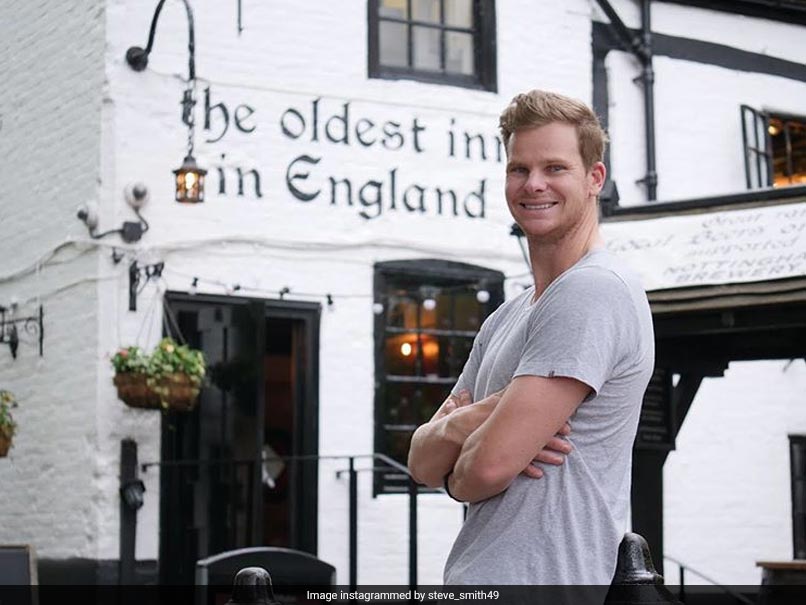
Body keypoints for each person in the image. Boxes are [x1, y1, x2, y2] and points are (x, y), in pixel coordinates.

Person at [407, 90, 655, 589]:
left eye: (555, 168)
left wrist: (465, 448)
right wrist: (483, 419)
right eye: (519, 169)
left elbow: (485, 471)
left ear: (594, 179)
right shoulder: (506, 316)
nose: (534, 184)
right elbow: (420, 462)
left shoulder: (592, 291)